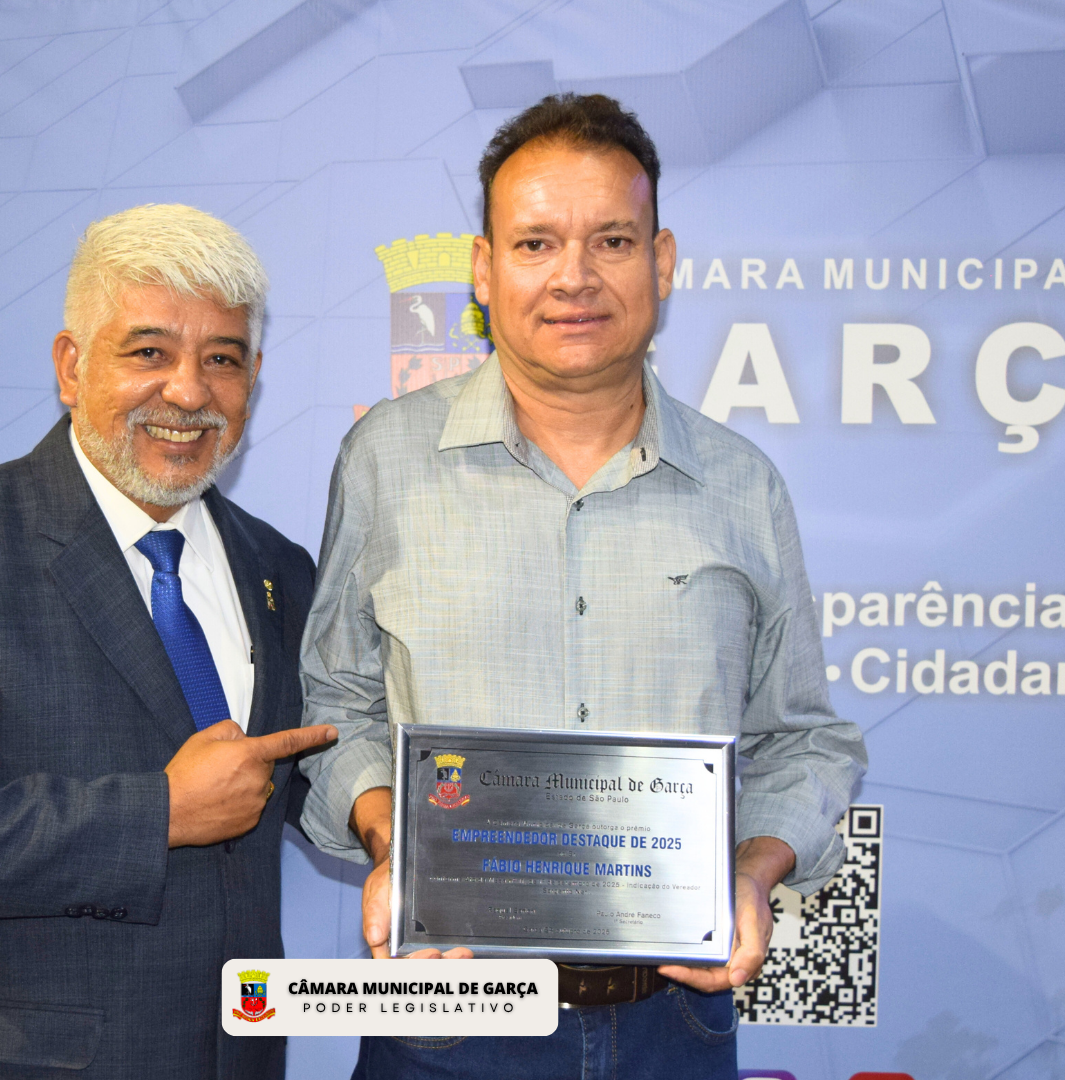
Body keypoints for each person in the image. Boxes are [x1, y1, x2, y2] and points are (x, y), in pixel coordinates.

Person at [296, 94, 868, 1077]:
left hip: (674, 1024)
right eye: (536, 243)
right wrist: (398, 847)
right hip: (447, 1015)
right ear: (483, 270)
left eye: (612, 240)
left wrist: (752, 868)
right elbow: (336, 705)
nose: (574, 276)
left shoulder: (743, 486)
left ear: (662, 261)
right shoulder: (386, 460)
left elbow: (804, 739)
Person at [0, 203, 335, 1080]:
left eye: (222, 358)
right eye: (149, 352)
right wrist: (159, 813)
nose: (189, 392)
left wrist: (412, 835)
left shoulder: (277, 567)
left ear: (253, 377)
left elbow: (302, 777)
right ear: (71, 365)